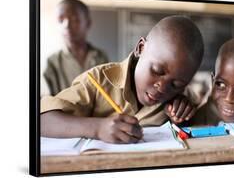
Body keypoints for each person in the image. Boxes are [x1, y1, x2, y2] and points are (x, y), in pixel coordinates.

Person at [41, 15, 204, 144]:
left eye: (176, 84)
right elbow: (41, 121)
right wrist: (97, 128)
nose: (162, 87)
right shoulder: (98, 80)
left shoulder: (179, 99)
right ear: (140, 48)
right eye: (156, 71)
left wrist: (182, 119)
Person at [44, 0, 108, 96]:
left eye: (74, 19)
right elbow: (47, 104)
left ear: (88, 23)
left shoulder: (101, 57)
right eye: (61, 20)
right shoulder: (52, 62)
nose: (66, 25)